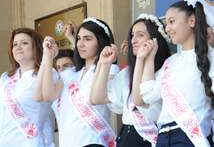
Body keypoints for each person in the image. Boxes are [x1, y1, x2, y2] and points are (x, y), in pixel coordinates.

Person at [134, 0, 214, 147]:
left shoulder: (211, 57)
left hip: (190, 139)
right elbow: (149, 95)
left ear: (192, 21)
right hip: (163, 138)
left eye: (171, 21)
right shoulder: (170, 62)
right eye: (167, 24)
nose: (167, 29)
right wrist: (148, 59)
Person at [34, 17, 120, 147]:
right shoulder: (71, 73)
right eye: (79, 39)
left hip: (94, 142)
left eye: (87, 39)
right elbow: (48, 95)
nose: (80, 44)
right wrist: (48, 56)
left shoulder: (110, 69)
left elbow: (97, 98)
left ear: (101, 42)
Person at [90, 13, 171, 147]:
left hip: (152, 137)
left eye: (140, 35)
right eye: (132, 35)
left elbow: (143, 101)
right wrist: (103, 64)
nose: (133, 40)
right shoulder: (128, 72)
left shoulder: (166, 70)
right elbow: (96, 98)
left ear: (155, 39)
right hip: (127, 136)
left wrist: (144, 59)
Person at [0, 28, 58, 147]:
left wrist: (46, 58)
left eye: (24, 43)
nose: (18, 47)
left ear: (36, 47)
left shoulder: (48, 73)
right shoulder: (5, 78)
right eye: (15, 44)